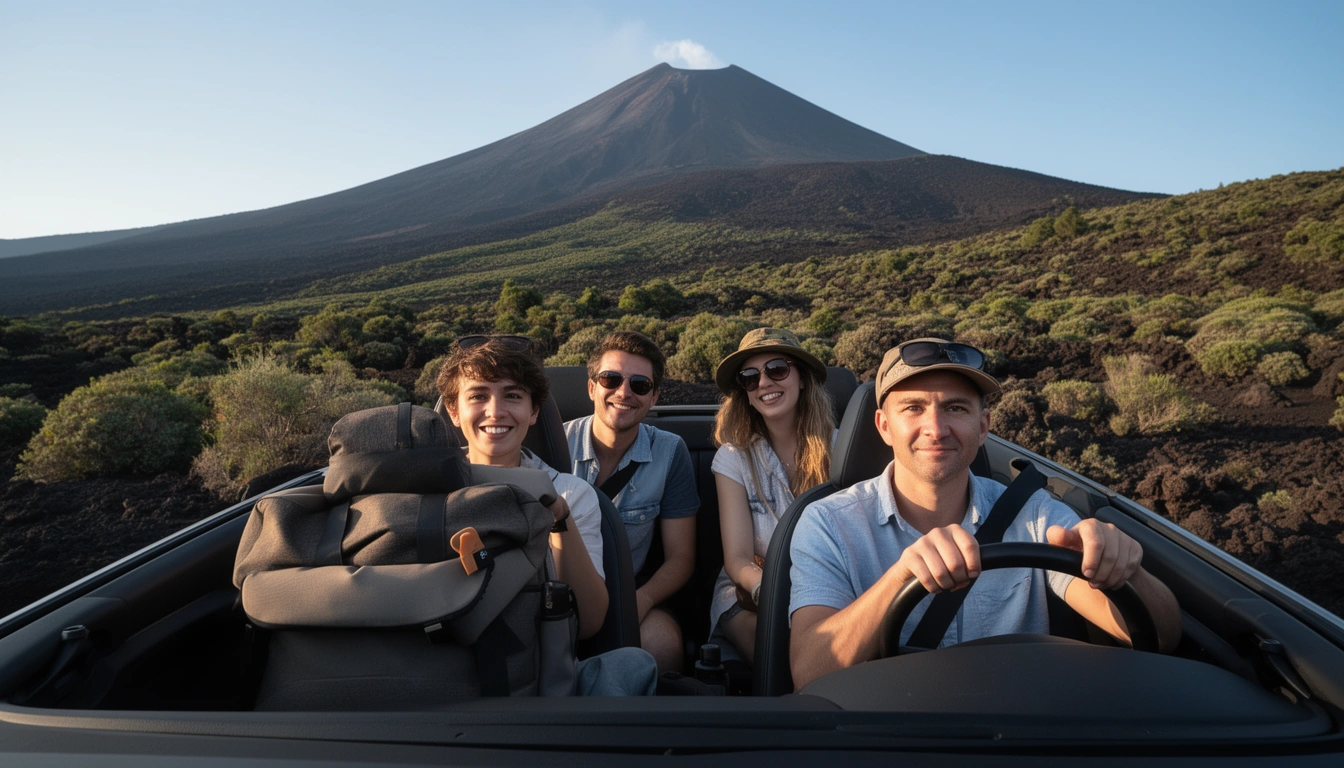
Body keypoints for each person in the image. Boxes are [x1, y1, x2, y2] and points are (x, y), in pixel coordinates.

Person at [789, 338, 1183, 689]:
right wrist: (900, 578)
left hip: (1016, 725)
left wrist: (1125, 570)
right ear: (884, 426)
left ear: (983, 427)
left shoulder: (1035, 514)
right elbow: (809, 672)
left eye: (955, 408)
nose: (936, 428)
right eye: (913, 408)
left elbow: (1160, 638)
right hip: (892, 731)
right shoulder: (828, 523)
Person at [564, 331, 699, 673]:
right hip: (559, 593)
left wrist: (641, 599)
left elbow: (681, 557)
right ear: (592, 387)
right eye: (611, 379)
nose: (624, 392)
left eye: (639, 385)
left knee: (662, 647)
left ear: (654, 397)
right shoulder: (556, 446)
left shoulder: (669, 452)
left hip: (629, 591)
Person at [710, 328, 835, 664]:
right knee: (783, 650)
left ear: (802, 378)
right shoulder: (733, 458)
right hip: (751, 594)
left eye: (777, 369)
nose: (764, 383)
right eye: (750, 377)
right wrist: (775, 594)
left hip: (829, 589)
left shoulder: (841, 449)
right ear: (745, 393)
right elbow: (738, 559)